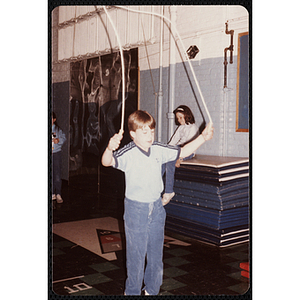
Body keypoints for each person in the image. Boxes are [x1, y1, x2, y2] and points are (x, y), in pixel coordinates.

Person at [101, 110, 214, 295]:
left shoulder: (159, 149)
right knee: (136, 256)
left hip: (157, 207)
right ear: (133, 134)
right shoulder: (128, 152)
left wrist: (202, 137)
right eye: (144, 132)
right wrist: (109, 148)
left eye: (152, 131)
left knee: (155, 255)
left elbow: (183, 151)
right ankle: (132, 292)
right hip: (135, 209)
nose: (149, 136)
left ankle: (152, 290)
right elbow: (106, 162)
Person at [162, 105, 199, 205]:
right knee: (162, 161)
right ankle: (157, 187)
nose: (179, 120)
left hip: (188, 150)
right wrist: (166, 151)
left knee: (170, 162)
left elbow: (190, 146)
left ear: (187, 116)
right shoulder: (180, 127)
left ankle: (169, 191)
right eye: (177, 118)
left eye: (181, 117)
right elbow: (173, 141)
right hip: (178, 148)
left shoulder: (193, 127)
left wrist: (179, 158)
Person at [52, 112, 66, 203]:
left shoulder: (58, 130)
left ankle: (58, 194)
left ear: (54, 120)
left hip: (56, 153)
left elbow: (63, 138)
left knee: (57, 174)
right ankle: (52, 193)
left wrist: (59, 140)